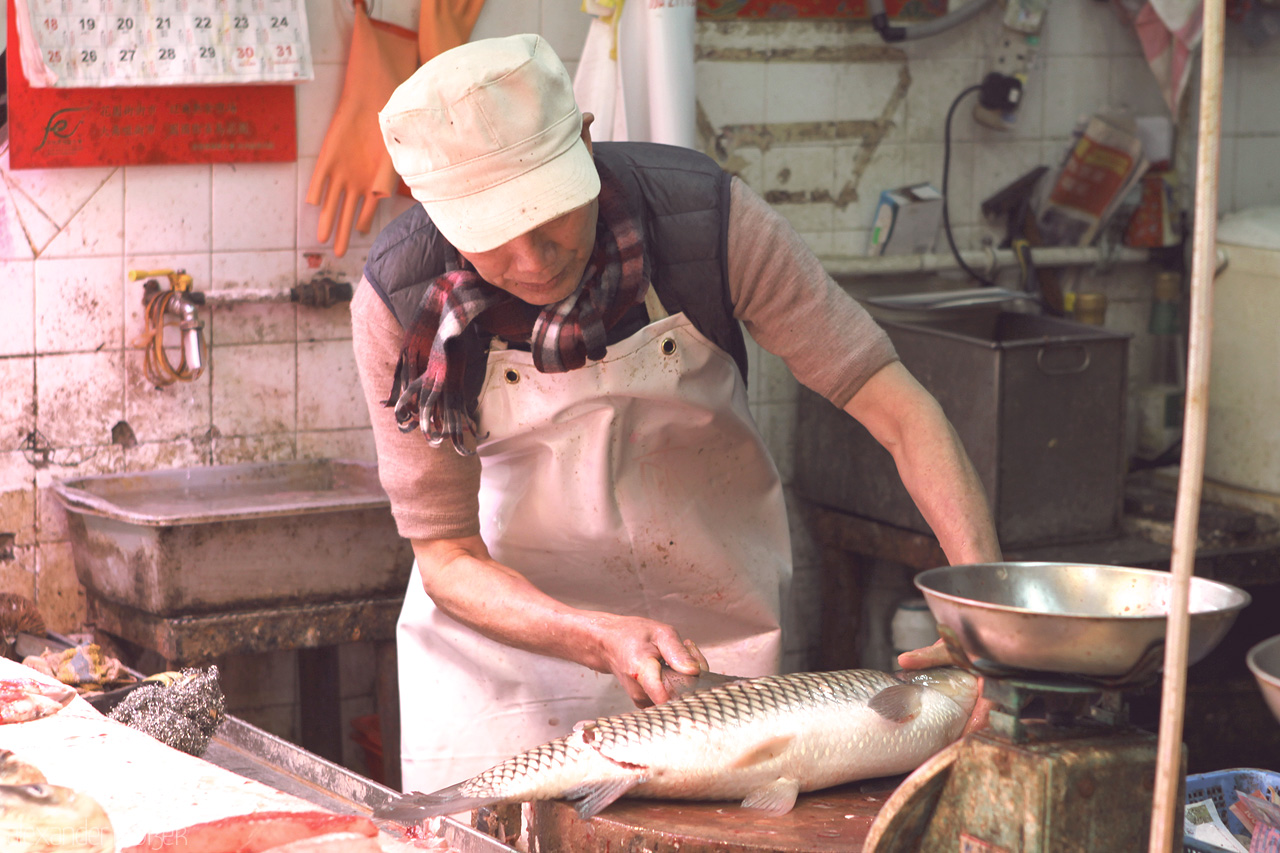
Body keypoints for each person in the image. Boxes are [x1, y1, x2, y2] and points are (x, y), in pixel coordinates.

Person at [351, 33, 1002, 794]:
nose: (533, 260)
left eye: (550, 214)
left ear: (587, 143)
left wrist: (984, 617)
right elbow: (448, 557)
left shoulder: (709, 225)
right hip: (505, 665)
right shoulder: (400, 300)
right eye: (493, 238)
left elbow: (897, 407)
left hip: (708, 656)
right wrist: (593, 636)